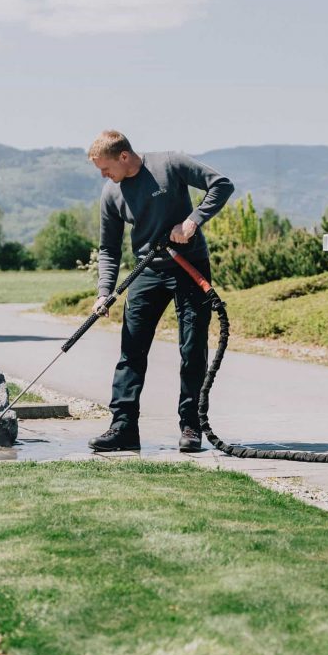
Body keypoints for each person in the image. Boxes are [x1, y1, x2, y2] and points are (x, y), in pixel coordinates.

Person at [85, 130, 233, 453]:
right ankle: (123, 427)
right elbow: (108, 248)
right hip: (146, 270)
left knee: (192, 348)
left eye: (105, 167)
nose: (103, 175)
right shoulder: (111, 194)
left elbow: (222, 185)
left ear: (124, 156)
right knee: (131, 351)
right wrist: (104, 291)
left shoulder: (170, 164)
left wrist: (193, 221)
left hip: (189, 265)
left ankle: (191, 426)